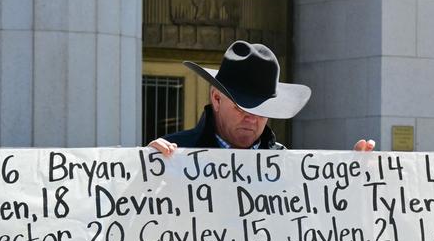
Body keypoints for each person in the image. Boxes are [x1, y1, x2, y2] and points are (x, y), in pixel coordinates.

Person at [148, 40, 374, 155]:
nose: (251, 118)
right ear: (216, 99)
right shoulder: (174, 154)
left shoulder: (290, 166)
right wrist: (145, 173)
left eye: (261, 110)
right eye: (242, 107)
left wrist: (350, 180)